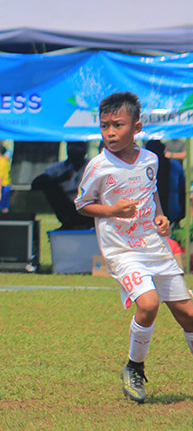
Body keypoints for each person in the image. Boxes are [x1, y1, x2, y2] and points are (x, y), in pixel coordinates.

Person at [75, 92, 193, 404]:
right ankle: (134, 367)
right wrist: (112, 211)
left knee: (189, 315)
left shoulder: (150, 160)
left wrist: (161, 218)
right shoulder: (98, 166)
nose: (110, 132)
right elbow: (82, 204)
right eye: (104, 126)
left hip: (155, 248)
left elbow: (152, 196)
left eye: (117, 125)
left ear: (137, 127)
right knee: (149, 304)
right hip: (122, 250)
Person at [30, 142, 93, 230]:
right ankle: (67, 222)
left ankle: (90, 223)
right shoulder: (59, 168)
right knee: (49, 187)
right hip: (67, 207)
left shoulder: (92, 165)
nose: (75, 156)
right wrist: (60, 179)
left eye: (78, 152)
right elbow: (36, 184)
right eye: (72, 152)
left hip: (88, 206)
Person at [145, 140, 186, 227]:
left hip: (151, 213)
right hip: (173, 211)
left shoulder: (145, 168)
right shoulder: (174, 165)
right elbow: (183, 189)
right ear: (164, 150)